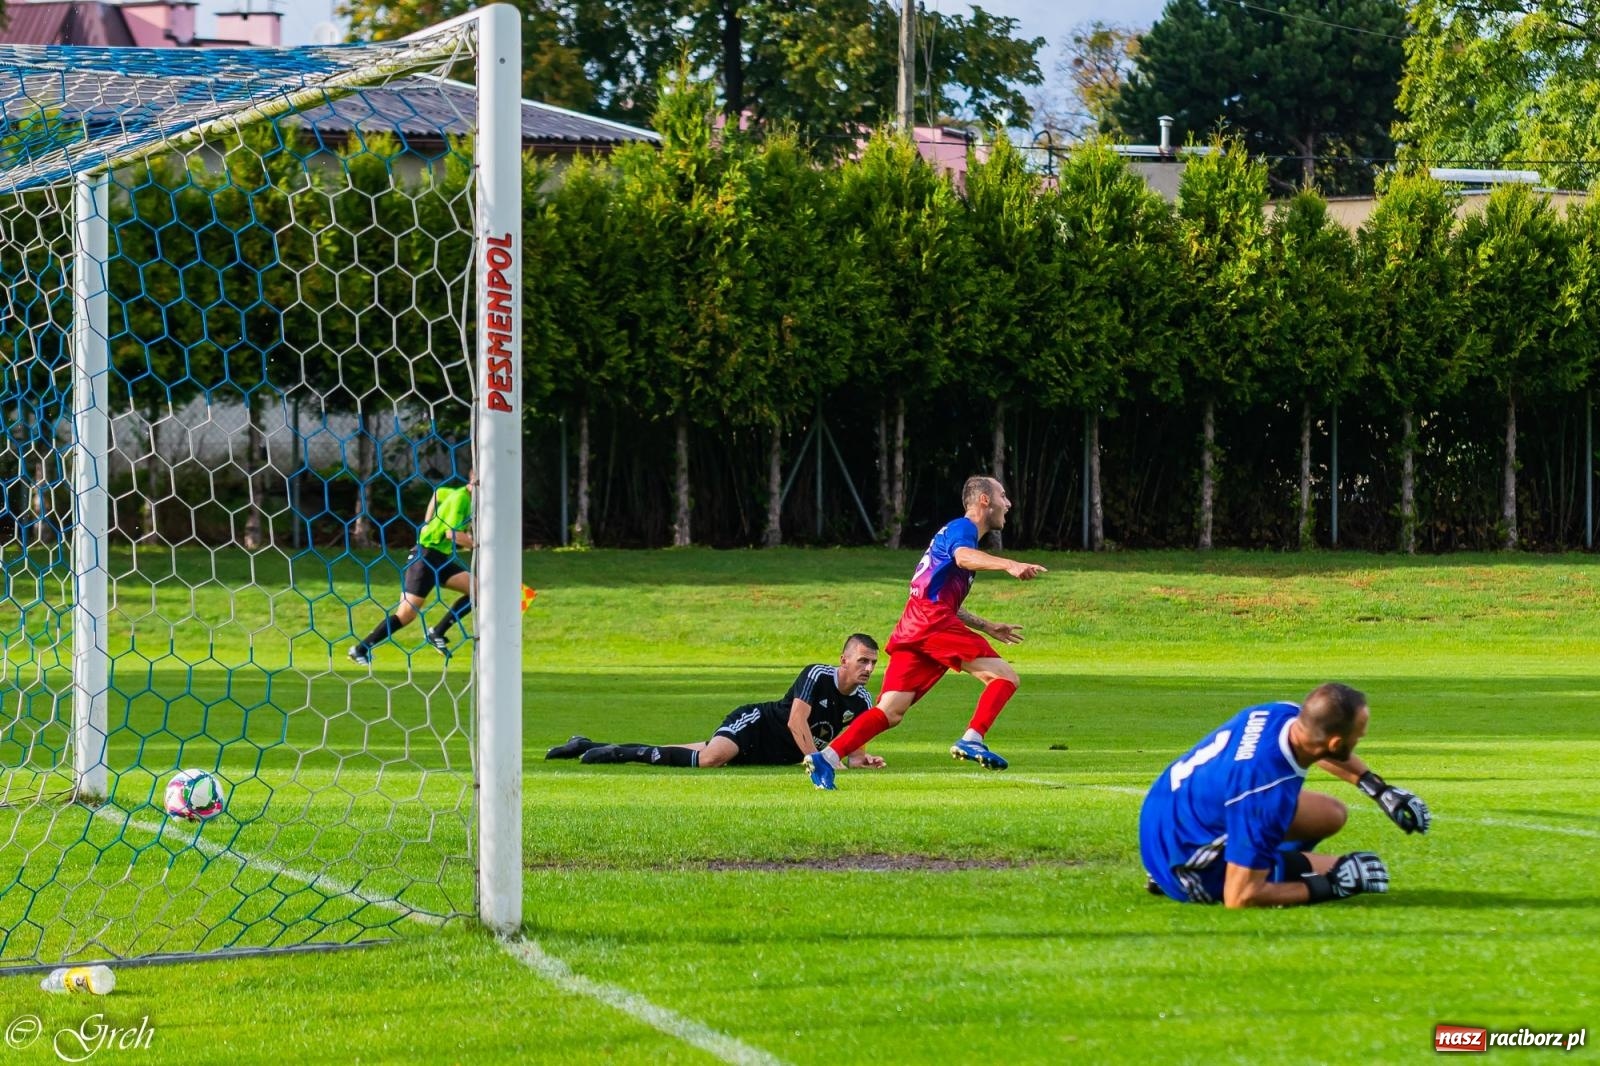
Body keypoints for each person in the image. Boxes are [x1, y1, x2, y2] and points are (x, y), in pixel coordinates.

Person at [802, 476, 1047, 790]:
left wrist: (986, 626)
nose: (1008, 503)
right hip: (931, 621)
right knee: (1004, 678)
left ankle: (828, 757)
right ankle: (972, 739)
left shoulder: (958, 536)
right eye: (1003, 495)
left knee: (890, 712)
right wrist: (1009, 564)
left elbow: (942, 594)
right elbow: (962, 558)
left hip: (916, 623)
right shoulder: (963, 529)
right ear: (984, 500)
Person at [1139, 682, 1431, 908]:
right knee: (1364, 869)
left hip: (1163, 814)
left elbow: (1319, 748)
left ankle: (1259, 860)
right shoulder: (1265, 795)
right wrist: (1330, 885)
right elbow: (1239, 899)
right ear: (1336, 742)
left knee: (1331, 814)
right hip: (1185, 868)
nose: (1361, 739)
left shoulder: (1281, 713)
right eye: (1359, 735)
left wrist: (1379, 789)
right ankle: (1258, 867)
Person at [546, 634, 885, 769]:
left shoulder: (865, 702)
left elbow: (851, 753)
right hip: (757, 726)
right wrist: (816, 761)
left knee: (697, 751)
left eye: (872, 662)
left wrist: (864, 760)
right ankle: (622, 754)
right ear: (844, 659)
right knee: (711, 759)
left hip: (775, 754)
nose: (869, 668)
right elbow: (797, 721)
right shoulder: (817, 675)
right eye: (862, 660)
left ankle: (587, 744)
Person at [348, 469, 475, 665]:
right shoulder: (461, 499)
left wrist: (427, 521)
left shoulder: (459, 493)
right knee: (406, 615)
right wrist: (477, 545)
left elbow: (437, 493)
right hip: (425, 558)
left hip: (439, 558)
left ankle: (438, 632)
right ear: (475, 479)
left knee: (477, 590)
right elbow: (452, 534)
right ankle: (360, 649)